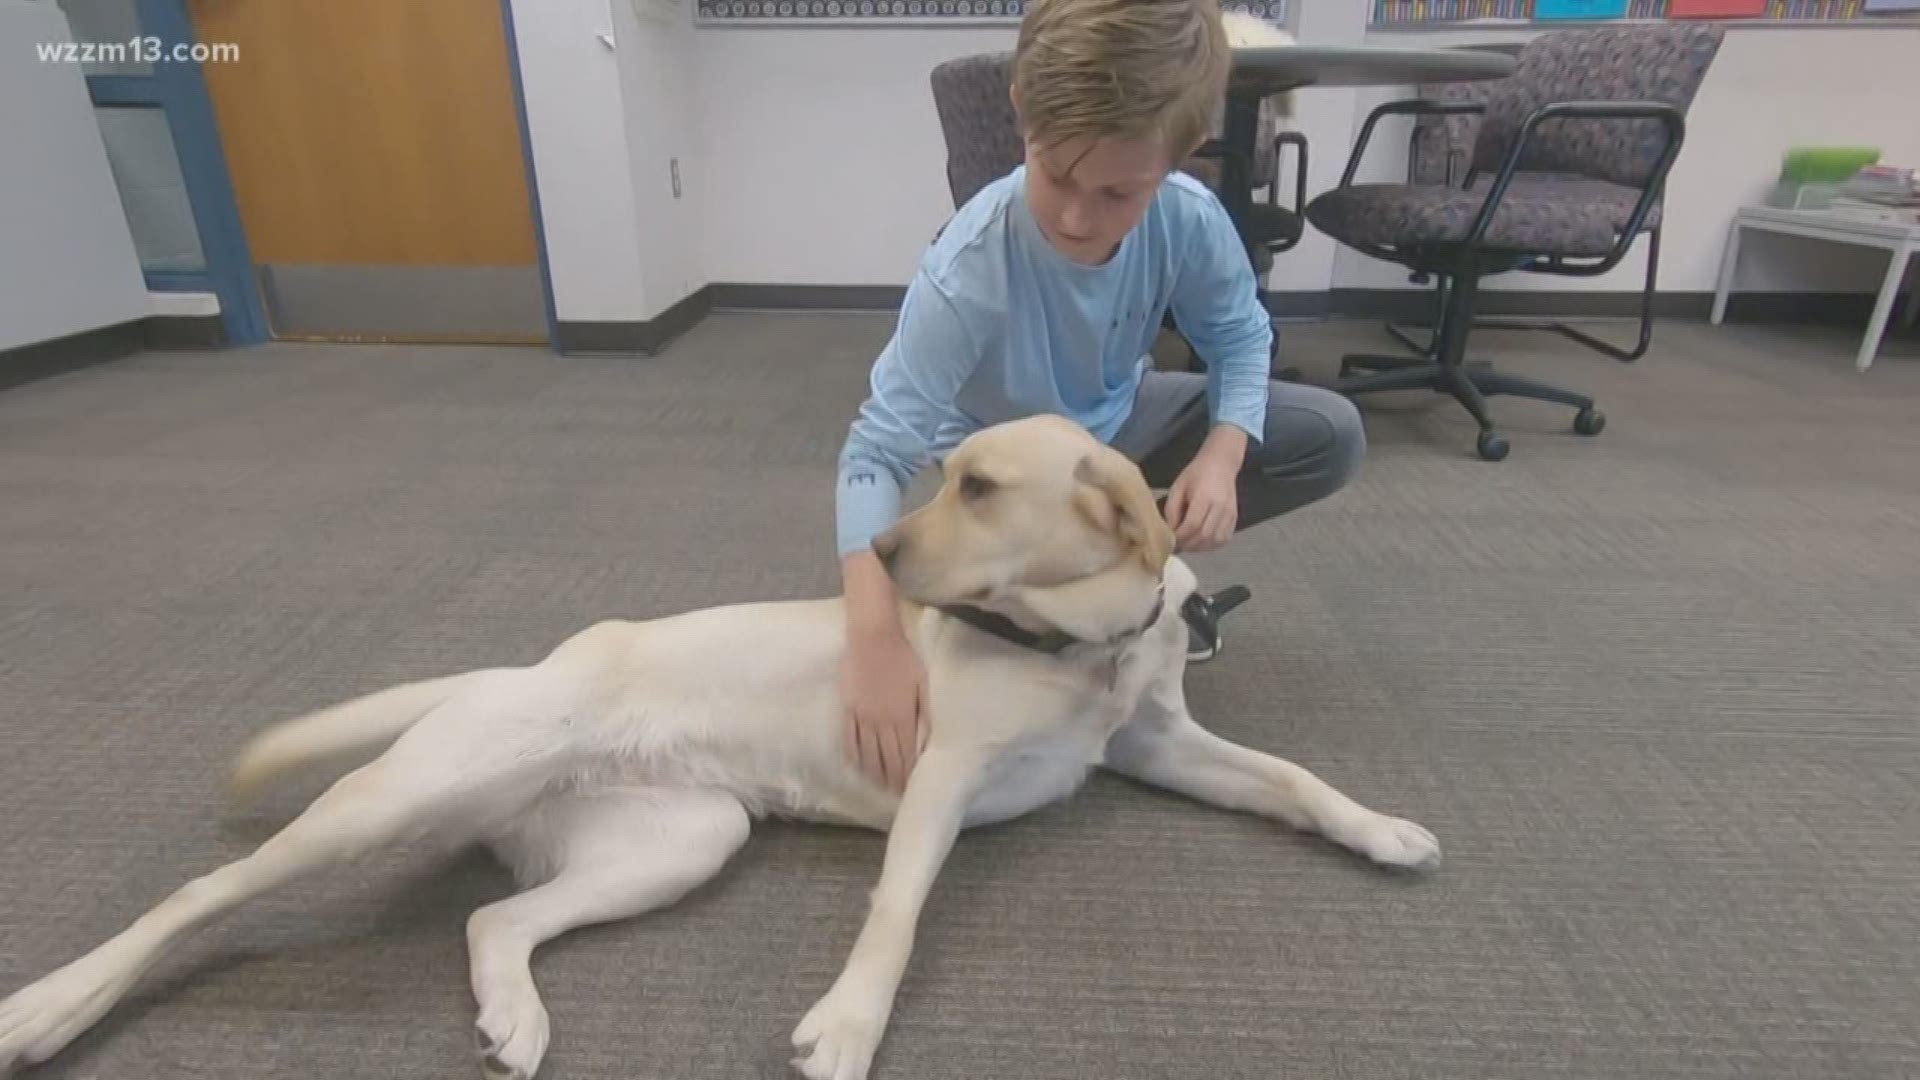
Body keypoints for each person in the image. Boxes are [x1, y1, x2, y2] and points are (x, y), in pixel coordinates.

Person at [833, 0, 1365, 792]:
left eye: (1119, 193)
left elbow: (1243, 339)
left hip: (1118, 425)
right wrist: (873, 640)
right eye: (1057, 175)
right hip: (993, 455)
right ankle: (1050, 589)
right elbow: (874, 453)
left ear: (1182, 156)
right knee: (920, 565)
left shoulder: (1188, 218)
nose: (1080, 217)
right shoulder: (970, 265)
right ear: (1022, 113)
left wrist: (1221, 459)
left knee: (1330, 432)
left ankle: (1116, 584)